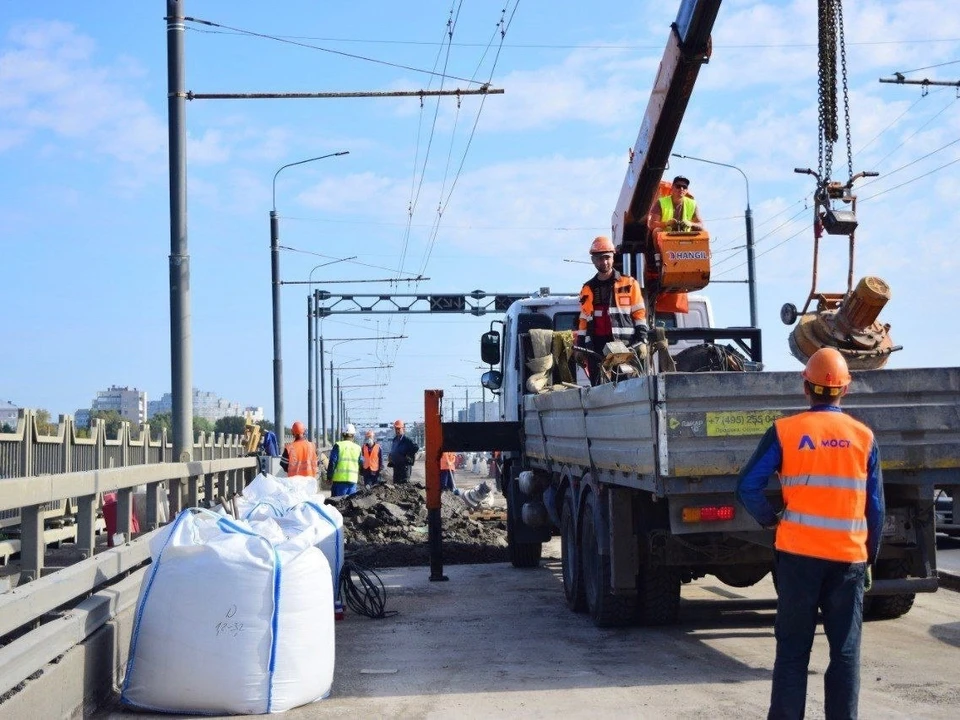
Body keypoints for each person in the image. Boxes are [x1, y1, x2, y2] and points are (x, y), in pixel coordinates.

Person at [736, 348, 885, 720]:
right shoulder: (863, 437)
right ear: (845, 390)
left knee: (792, 650)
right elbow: (876, 508)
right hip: (848, 560)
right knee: (846, 653)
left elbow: (747, 486)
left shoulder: (787, 431)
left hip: (798, 558)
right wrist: (870, 555)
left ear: (806, 387)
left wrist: (770, 520)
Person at [575, 235, 648, 385]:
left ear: (613, 257)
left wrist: (642, 340)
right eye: (600, 258)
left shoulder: (629, 284)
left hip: (625, 347)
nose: (604, 262)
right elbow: (583, 321)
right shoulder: (587, 289)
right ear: (593, 260)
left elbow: (639, 314)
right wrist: (580, 347)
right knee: (599, 391)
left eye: (607, 257)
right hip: (596, 350)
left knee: (628, 387)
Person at [326, 423, 363, 497]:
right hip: (352, 482)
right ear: (353, 435)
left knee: (337, 505)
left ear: (343, 434)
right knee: (350, 506)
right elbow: (361, 463)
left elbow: (332, 462)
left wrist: (329, 477)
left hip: (339, 482)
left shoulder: (338, 445)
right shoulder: (358, 448)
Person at [387, 419, 419, 484]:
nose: (397, 430)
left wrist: (408, 455)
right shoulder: (395, 440)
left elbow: (416, 447)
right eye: (396, 429)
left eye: (399, 429)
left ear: (403, 429)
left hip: (405, 468)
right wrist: (391, 456)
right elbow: (394, 450)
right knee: (396, 486)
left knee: (404, 487)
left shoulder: (407, 440)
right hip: (396, 468)